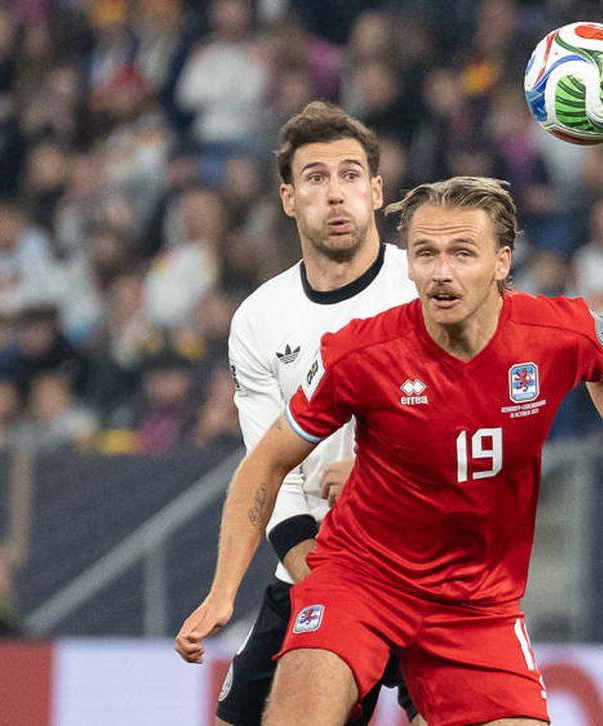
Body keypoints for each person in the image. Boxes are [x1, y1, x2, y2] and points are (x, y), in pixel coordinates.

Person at [175, 176, 603, 726]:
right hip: (361, 580)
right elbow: (266, 459)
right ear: (408, 265)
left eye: (462, 253)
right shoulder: (361, 352)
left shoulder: (555, 332)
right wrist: (222, 590)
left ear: (502, 262)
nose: (441, 272)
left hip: (477, 604)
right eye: (425, 253)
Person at [205, 101, 419, 726]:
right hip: (318, 564)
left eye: (351, 175)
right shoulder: (259, 319)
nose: (336, 194)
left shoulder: (426, 288)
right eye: (316, 178)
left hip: (428, 570)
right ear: (288, 198)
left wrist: (382, 475)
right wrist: (322, 584)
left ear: (377, 192)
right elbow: (272, 474)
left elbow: (483, 426)